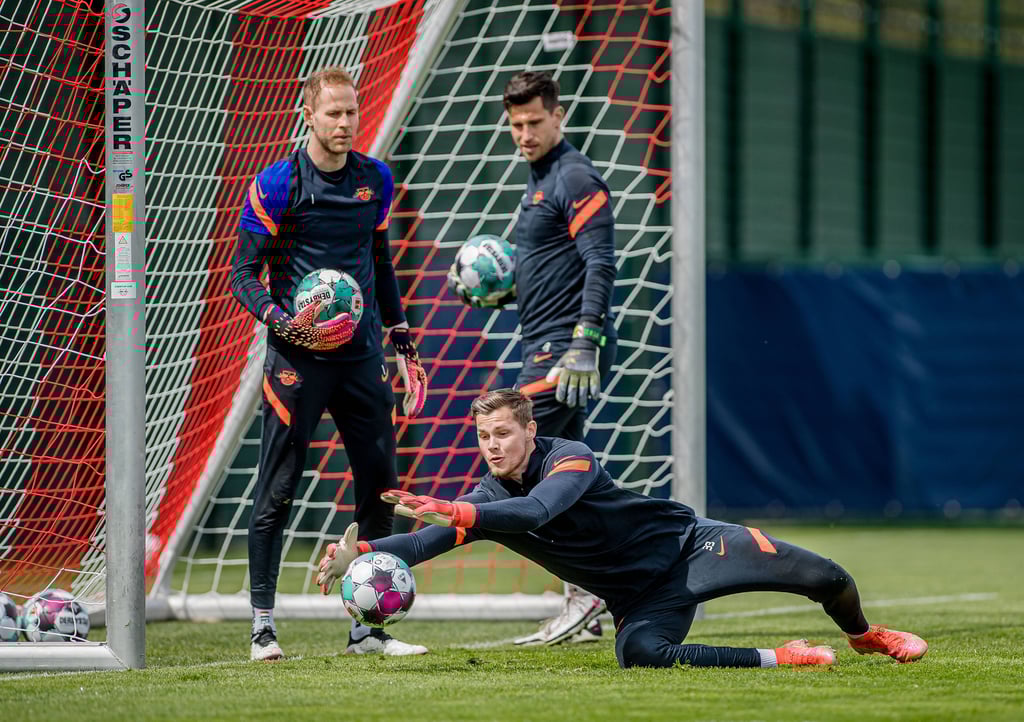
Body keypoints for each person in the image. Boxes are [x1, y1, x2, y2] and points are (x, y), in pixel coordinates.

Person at [317, 389, 929, 669]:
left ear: (530, 431)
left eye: (502, 433)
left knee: (828, 578)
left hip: (694, 547)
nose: (492, 445)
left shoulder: (571, 457)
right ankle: (781, 657)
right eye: (483, 436)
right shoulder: (485, 500)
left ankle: (864, 636)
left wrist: (459, 512)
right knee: (639, 654)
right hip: (640, 597)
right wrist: (361, 552)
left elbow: (538, 512)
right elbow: (421, 542)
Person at [230, 66, 429, 661]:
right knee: (277, 489)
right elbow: (243, 274)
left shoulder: (377, 179)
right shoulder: (276, 185)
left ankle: (368, 630)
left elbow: (381, 261)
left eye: (351, 111)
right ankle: (263, 628)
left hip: (362, 358)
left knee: (381, 488)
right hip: (298, 361)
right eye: (333, 113)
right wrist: (280, 320)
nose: (345, 122)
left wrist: (401, 339)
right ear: (309, 116)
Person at [447, 70, 617, 645]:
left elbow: (600, 262)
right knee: (566, 475)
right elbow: (551, 269)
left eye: (535, 122)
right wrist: (503, 290)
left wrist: (585, 341)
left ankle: (587, 594)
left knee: (519, 472)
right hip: (545, 343)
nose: (525, 133)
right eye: (516, 124)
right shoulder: (538, 177)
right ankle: (599, 593)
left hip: (563, 352)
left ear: (558, 115)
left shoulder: (575, 176)